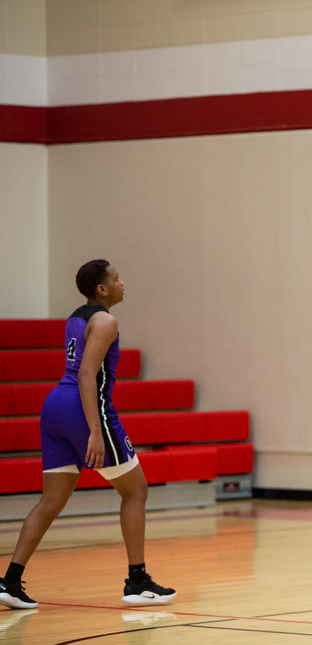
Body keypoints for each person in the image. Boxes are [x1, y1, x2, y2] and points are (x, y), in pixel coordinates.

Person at [0, 260, 175, 611]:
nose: (123, 282)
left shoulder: (76, 317)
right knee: (136, 490)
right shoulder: (106, 321)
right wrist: (95, 430)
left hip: (55, 406)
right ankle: (138, 581)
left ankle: (10, 581)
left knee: (51, 500)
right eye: (117, 278)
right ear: (102, 288)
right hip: (83, 408)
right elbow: (86, 374)